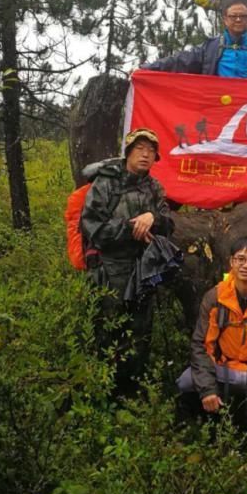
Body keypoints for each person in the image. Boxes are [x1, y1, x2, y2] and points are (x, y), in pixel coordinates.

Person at [80, 127, 174, 397]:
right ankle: (103, 395)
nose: (145, 155)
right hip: (110, 271)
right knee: (108, 331)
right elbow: (92, 227)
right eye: (140, 149)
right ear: (128, 152)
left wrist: (153, 218)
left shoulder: (154, 188)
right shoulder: (106, 183)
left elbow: (169, 225)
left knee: (140, 332)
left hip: (143, 269)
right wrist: (132, 227)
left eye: (151, 151)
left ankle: (133, 396)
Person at [177, 237, 247, 419]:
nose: (245, 265)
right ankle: (202, 426)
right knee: (186, 382)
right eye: (240, 259)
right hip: (224, 368)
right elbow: (200, 345)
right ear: (231, 262)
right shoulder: (215, 297)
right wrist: (207, 389)